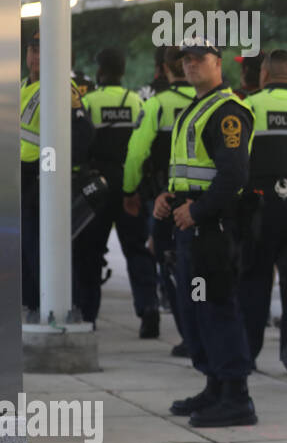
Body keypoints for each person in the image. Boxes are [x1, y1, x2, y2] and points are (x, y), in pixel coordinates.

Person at [158, 40, 258, 428]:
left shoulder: (228, 111)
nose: (191, 64)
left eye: (200, 58)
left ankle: (237, 396)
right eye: (186, 59)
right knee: (196, 306)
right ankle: (215, 384)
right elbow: (190, 167)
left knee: (215, 306)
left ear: (218, 63)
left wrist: (196, 211)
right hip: (194, 227)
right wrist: (168, 197)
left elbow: (234, 174)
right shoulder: (195, 108)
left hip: (212, 229)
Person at [235, 49, 287, 368]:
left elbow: (237, 160)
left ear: (265, 75)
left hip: (258, 207)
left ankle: (248, 351)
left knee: (254, 279)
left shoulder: (249, 106)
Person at [76, 47, 158, 335]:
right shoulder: (137, 101)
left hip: (97, 185)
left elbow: (80, 142)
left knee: (90, 252)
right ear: (123, 71)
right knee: (136, 250)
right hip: (128, 183)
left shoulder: (88, 100)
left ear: (100, 71)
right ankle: (149, 308)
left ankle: (87, 315)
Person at [123, 46, 197, 357]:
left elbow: (137, 152)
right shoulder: (209, 101)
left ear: (166, 69)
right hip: (206, 200)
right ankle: (202, 330)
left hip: (165, 199)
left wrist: (129, 191)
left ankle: (188, 335)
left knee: (169, 265)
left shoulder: (156, 105)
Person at [20, 31, 94, 318]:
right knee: (24, 248)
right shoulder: (22, 87)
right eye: (33, 49)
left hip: (40, 177)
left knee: (42, 248)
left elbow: (84, 132)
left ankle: (54, 307)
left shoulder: (63, 87)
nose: (36, 56)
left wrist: (53, 169)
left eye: (43, 50)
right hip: (19, 179)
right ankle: (31, 305)